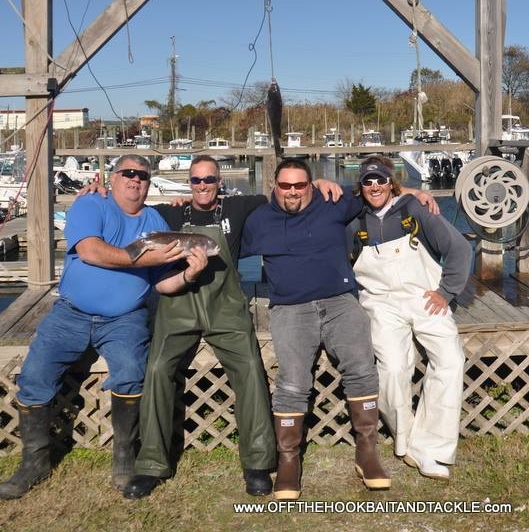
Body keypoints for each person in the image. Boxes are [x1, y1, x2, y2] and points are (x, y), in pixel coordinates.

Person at [123, 154, 344, 499]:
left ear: (220, 182)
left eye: (209, 180)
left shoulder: (241, 207)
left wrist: (315, 184)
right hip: (178, 305)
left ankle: (258, 462)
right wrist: (99, 191)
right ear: (189, 183)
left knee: (251, 368)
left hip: (225, 307)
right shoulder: (169, 213)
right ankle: (151, 464)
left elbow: (286, 193)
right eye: (196, 180)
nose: (202, 186)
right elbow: (130, 207)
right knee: (156, 368)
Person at [0, 155, 208, 501]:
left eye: (143, 175)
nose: (136, 179)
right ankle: (34, 462)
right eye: (128, 173)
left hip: (125, 318)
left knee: (132, 372)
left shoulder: (155, 221)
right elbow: (91, 251)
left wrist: (189, 274)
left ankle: (124, 456)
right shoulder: (90, 204)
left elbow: (162, 283)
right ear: (112, 178)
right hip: (71, 313)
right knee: (34, 375)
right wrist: (145, 258)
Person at [239, 158, 438, 499]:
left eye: (300, 185)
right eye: (285, 185)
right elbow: (235, 253)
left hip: (339, 301)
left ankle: (367, 452)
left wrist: (411, 191)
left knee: (362, 369)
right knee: (292, 382)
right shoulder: (258, 220)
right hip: (290, 307)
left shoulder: (333, 201)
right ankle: (288, 461)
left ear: (310, 185)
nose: (292, 192)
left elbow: (375, 190)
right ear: (274, 185)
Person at [347, 155, 471, 481]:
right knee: (392, 369)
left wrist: (446, 291)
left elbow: (459, 249)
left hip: (425, 297)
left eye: (381, 179)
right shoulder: (353, 220)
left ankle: (433, 445)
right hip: (380, 304)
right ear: (360, 186)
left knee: (450, 360)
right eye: (368, 181)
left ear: (392, 183)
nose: (375, 186)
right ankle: (406, 440)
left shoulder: (414, 209)